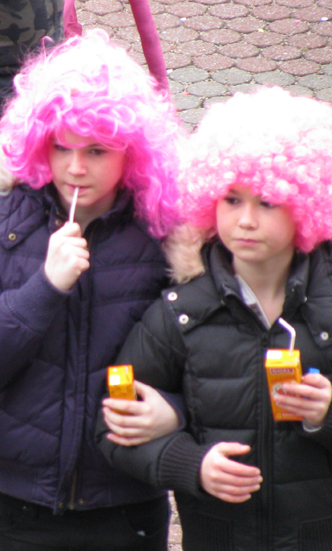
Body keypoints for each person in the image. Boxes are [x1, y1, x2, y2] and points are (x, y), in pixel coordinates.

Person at [97, 87, 332, 551]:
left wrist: (326, 415)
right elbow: (113, 423)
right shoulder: (182, 314)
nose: (245, 221)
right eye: (231, 200)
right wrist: (190, 465)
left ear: (307, 205)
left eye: (266, 203)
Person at [0, 29, 183, 551]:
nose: (76, 168)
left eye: (98, 150)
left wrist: (175, 411)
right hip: (17, 505)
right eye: (62, 146)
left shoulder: (167, 238)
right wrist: (43, 288)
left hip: (124, 505)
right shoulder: (8, 225)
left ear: (134, 151)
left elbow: (206, 359)